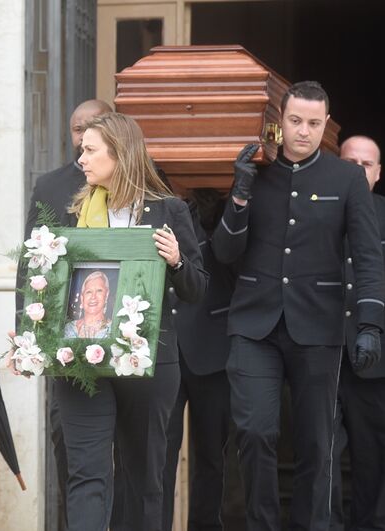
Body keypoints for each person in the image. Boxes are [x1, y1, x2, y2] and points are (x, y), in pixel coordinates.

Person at [212, 81, 384, 531]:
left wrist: (371, 323)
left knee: (317, 446)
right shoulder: (256, 170)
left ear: (325, 125)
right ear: (279, 121)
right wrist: (241, 191)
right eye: (294, 121)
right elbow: (225, 252)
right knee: (254, 431)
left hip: (319, 328)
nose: (302, 131)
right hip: (254, 325)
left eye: (312, 123)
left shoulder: (345, 178)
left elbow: (368, 256)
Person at [52, 112, 207, 531]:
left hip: (148, 362)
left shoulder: (169, 211)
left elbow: (197, 290)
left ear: (119, 154)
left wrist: (176, 260)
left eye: (89, 150)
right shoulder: (73, 213)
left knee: (144, 476)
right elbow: (53, 284)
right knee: (86, 472)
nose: (80, 159)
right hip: (81, 359)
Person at [16, 99, 112, 529]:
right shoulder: (51, 185)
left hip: (122, 333)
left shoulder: (137, 186)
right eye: (77, 129)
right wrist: (28, 332)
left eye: (92, 128)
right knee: (66, 439)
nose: (82, 137)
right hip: (67, 339)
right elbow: (31, 262)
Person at [161, 189, 236, 531]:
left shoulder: (223, 206)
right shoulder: (152, 201)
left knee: (211, 457)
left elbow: (228, 251)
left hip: (212, 346)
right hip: (163, 347)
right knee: (160, 456)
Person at [336, 135, 385, 530]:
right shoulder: (319, 213)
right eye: (349, 162)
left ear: (378, 172)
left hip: (374, 360)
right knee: (322, 454)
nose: (357, 170)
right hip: (324, 352)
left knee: (370, 458)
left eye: (365, 164)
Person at [63, 270, 112, 339]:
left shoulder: (113, 329)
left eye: (99, 291)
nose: (93, 297)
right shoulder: (69, 328)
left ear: (106, 295)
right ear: (82, 298)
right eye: (89, 292)